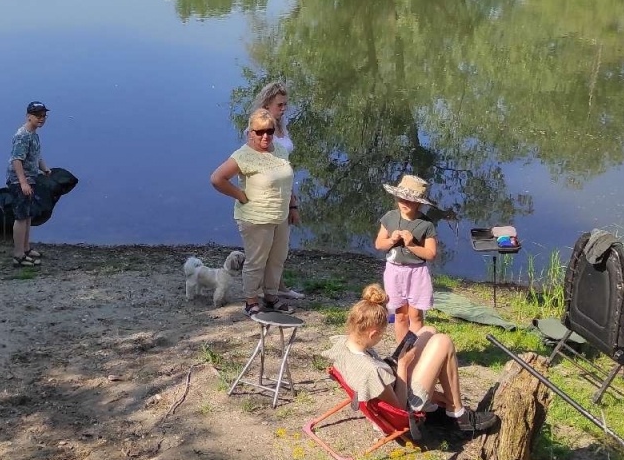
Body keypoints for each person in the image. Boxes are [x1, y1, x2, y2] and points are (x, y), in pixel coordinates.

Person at [326, 285, 496, 435]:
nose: (382, 336)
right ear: (373, 334)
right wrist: (402, 364)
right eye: (382, 334)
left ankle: (442, 403)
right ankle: (458, 414)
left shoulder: (344, 345)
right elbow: (399, 408)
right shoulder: (371, 372)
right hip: (406, 404)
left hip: (392, 378)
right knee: (443, 342)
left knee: (428, 330)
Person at [209, 107, 298, 316]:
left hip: (281, 215)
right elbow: (217, 179)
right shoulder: (243, 156)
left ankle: (271, 297)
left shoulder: (280, 150)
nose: (265, 136)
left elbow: (287, 181)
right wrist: (240, 195)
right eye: (260, 132)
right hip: (256, 218)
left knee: (277, 258)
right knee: (256, 261)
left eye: (270, 131)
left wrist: (293, 206)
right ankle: (251, 301)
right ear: (251, 133)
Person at [376, 174, 437, 345]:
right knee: (400, 315)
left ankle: (416, 350)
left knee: (415, 315)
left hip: (417, 272)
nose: (404, 202)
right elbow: (379, 244)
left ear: (419, 203)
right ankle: (401, 352)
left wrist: (411, 245)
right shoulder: (390, 217)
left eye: (409, 200)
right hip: (394, 271)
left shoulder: (426, 224)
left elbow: (431, 254)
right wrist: (391, 240)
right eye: (401, 198)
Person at [7, 101, 52, 268]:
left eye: (44, 116)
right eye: (38, 116)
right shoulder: (22, 135)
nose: (41, 119)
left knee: (28, 216)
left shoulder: (34, 134)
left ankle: (26, 248)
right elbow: (16, 160)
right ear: (28, 116)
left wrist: (44, 168)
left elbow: (36, 156)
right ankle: (18, 255)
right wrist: (23, 183)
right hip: (19, 181)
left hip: (30, 179)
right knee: (21, 217)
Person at [250, 80, 293, 155]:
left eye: (285, 104)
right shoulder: (258, 129)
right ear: (267, 105)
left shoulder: (282, 124)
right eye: (279, 105)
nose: (283, 108)